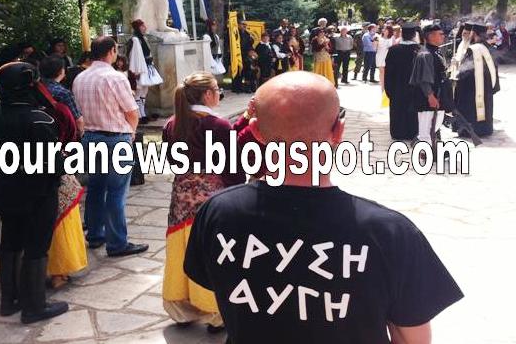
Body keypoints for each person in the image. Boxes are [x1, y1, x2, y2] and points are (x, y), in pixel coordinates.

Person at [183, 71, 464, 344]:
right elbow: (413, 338)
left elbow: (214, 286)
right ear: (338, 131)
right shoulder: (391, 233)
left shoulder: (216, 214)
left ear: (256, 132)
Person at [0, 63, 68, 323]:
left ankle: (9, 300)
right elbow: (55, 165)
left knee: (11, 241)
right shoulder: (40, 119)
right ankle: (34, 307)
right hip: (38, 192)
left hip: (5, 188)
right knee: (37, 246)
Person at [161, 72, 246, 332]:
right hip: (212, 199)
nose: (219, 93)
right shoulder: (218, 125)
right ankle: (215, 312)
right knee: (211, 252)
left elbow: (172, 161)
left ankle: (181, 308)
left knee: (181, 249)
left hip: (181, 197)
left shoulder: (172, 123)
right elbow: (233, 167)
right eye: (217, 89)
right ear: (207, 94)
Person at [73, 37, 149, 257]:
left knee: (95, 187)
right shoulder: (115, 77)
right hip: (115, 139)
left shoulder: (80, 78)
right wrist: (131, 133)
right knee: (116, 191)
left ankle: (96, 234)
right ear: (111, 51)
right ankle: (117, 243)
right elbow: (132, 112)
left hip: (90, 138)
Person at [34, 83, 88, 290]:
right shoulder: (57, 111)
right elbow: (73, 135)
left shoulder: (3, 114)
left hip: (23, 178)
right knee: (62, 220)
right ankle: (59, 271)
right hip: (57, 172)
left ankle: (36, 273)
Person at [453, 23, 500, 137]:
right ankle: (485, 129)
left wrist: (456, 76)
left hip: (472, 88)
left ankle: (469, 130)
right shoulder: (489, 47)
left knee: (471, 109)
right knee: (485, 107)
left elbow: (466, 71)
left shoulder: (472, 49)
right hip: (486, 86)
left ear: (474, 34)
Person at [410, 24, 453, 147]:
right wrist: (430, 96)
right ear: (431, 36)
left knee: (433, 128)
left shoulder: (435, 52)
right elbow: (424, 79)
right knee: (426, 131)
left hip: (437, 96)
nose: (443, 36)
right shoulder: (426, 54)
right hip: (428, 98)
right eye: (440, 34)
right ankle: (424, 152)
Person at [384, 24, 421, 140]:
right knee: (413, 112)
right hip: (415, 88)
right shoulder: (419, 50)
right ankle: (413, 133)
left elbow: (388, 72)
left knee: (398, 111)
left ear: (402, 34)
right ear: (414, 35)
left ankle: (398, 132)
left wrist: (388, 90)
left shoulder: (393, 50)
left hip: (397, 88)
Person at [127, 19, 163, 124]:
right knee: (138, 91)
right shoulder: (135, 40)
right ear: (138, 28)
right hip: (140, 68)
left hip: (147, 67)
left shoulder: (143, 38)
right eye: (142, 26)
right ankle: (139, 115)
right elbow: (135, 57)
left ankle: (143, 114)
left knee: (144, 91)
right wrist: (136, 71)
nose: (145, 28)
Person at [39, 55, 85, 137]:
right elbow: (78, 121)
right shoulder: (63, 93)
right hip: (62, 135)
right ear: (61, 71)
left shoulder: (36, 89)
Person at [232, 21, 255, 92]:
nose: (244, 26)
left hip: (246, 55)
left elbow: (250, 44)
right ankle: (236, 87)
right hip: (238, 55)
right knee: (238, 71)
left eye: (245, 25)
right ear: (238, 25)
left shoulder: (248, 34)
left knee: (247, 71)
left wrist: (251, 51)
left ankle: (246, 87)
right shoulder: (236, 33)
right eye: (242, 24)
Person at [376, 26, 394, 90]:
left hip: (388, 56)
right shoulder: (378, 37)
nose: (384, 30)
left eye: (386, 29)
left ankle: (387, 85)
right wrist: (375, 42)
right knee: (382, 71)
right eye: (384, 29)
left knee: (387, 71)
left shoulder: (392, 38)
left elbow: (394, 47)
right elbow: (374, 48)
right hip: (380, 55)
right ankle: (382, 87)